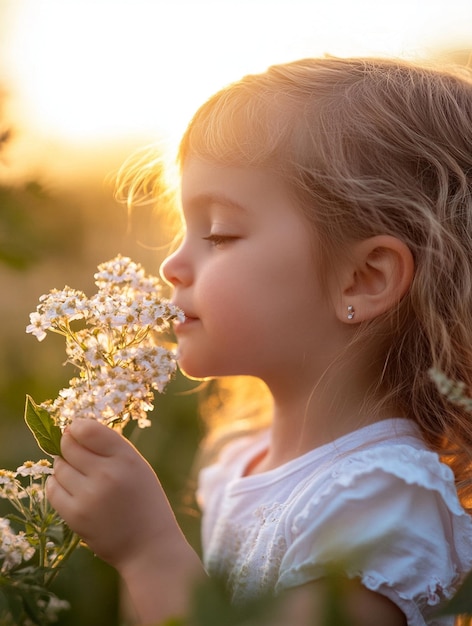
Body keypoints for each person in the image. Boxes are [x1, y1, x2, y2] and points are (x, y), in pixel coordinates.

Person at [46, 56, 472, 626]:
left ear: (363, 278)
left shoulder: (383, 502)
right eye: (182, 230)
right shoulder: (241, 460)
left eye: (219, 233)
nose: (172, 263)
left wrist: (147, 554)